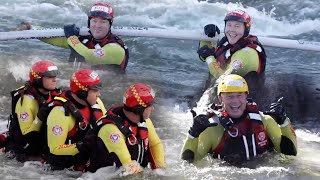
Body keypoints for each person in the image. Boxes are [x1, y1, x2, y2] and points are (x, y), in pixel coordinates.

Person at [181, 74, 297, 165]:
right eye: (229, 96)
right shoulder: (212, 127)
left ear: (246, 96)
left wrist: (284, 122)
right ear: (220, 99)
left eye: (239, 95)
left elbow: (290, 154)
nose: (235, 101)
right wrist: (193, 134)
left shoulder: (264, 121)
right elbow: (189, 163)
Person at [75, 83, 166, 174]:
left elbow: (155, 144)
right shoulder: (111, 130)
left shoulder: (145, 121)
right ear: (138, 109)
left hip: (129, 171)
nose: (152, 109)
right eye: (150, 106)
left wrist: (159, 171)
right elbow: (128, 167)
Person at [17, 3, 129, 71]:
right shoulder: (84, 40)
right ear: (89, 22)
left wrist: (71, 37)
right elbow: (56, 40)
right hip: (78, 89)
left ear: (110, 24)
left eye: (103, 22)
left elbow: (88, 56)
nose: (97, 26)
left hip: (103, 93)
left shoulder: (116, 49)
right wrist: (31, 29)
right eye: (94, 21)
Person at [38, 69, 107, 171]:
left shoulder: (97, 103)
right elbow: (54, 150)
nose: (99, 94)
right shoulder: (60, 113)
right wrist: (83, 146)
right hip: (62, 169)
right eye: (95, 90)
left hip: (87, 160)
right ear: (82, 93)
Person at [2, 60, 60, 162]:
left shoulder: (53, 94)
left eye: (55, 76)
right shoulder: (26, 101)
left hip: (42, 141)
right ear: (38, 80)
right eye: (50, 77)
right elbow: (27, 135)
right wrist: (40, 117)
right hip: (24, 148)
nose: (54, 79)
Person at [197, 9, 267, 83]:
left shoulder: (246, 54)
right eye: (229, 25)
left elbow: (223, 80)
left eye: (237, 26)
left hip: (238, 93)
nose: (232, 30)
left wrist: (209, 58)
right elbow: (205, 54)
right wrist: (207, 37)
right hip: (222, 92)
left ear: (246, 29)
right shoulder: (228, 43)